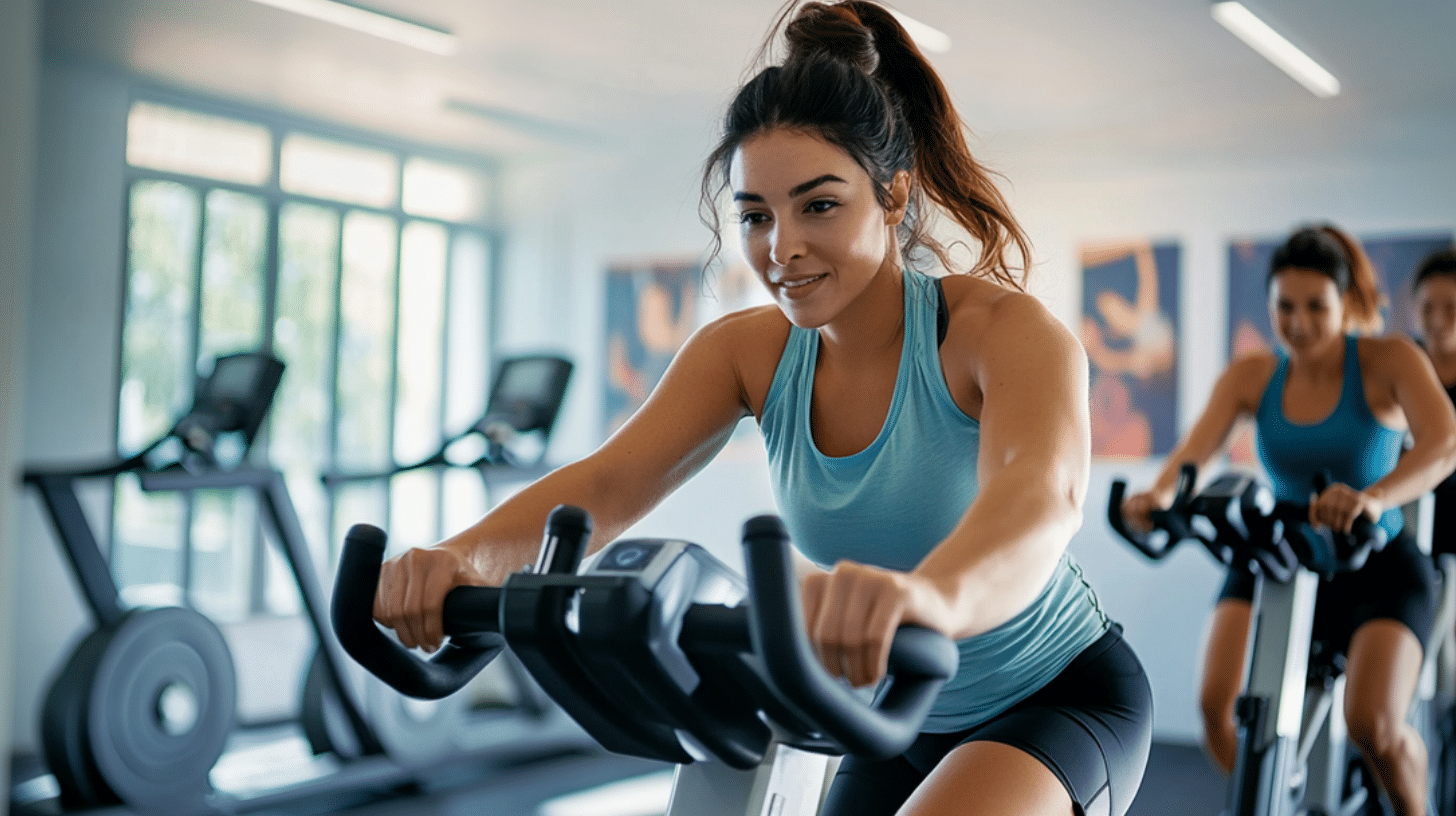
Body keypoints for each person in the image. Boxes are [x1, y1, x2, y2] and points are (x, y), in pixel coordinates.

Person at [373, 3, 1152, 814]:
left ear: (893, 195)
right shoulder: (744, 353)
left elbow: (1038, 500)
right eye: (755, 216)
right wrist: (459, 560)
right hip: (890, 710)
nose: (781, 248)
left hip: (1054, 697)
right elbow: (604, 486)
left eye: (818, 205)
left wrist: (931, 600)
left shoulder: (1000, 332)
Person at [1121, 225, 1456, 815]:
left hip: (1375, 558)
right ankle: (1287, 800)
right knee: (1220, 718)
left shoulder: (1387, 361)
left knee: (1373, 724)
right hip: (1280, 551)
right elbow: (1189, 460)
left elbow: (1443, 446)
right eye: (1285, 306)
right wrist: (1156, 498)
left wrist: (1373, 499)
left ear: (1346, 304)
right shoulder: (1252, 376)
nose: (1297, 322)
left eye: (1315, 307)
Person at [1412, 246, 1456, 557]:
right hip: (1408, 521)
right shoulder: (1400, 369)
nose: (1438, 320)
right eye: (1427, 308)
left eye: (1451, 308)